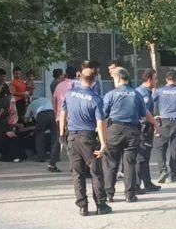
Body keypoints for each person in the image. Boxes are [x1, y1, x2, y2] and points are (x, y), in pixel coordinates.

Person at [60, 62, 112, 216]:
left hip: (72, 137)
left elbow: (62, 113)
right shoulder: (96, 99)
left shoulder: (69, 94)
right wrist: (103, 144)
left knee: (77, 173)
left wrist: (61, 134)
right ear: (94, 80)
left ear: (80, 77)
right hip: (88, 138)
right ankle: (101, 205)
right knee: (96, 172)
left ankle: (82, 206)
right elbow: (100, 123)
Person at [102, 67, 158, 203]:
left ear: (118, 78)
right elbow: (143, 113)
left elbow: (103, 114)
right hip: (132, 131)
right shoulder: (136, 94)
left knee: (111, 163)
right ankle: (130, 194)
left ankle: (109, 194)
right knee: (130, 163)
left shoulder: (111, 94)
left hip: (114, 130)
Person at [135, 69, 162, 193]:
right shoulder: (142, 93)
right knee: (141, 157)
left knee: (145, 157)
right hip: (143, 128)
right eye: (155, 79)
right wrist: (155, 123)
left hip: (146, 126)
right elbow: (145, 113)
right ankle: (136, 184)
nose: (156, 81)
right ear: (149, 80)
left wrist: (153, 118)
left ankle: (147, 182)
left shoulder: (147, 92)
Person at [25, 94, 61, 172]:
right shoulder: (46, 99)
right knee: (54, 135)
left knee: (39, 136)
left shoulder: (31, 104)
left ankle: (40, 157)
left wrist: (30, 117)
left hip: (41, 116)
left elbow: (26, 119)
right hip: (52, 113)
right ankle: (55, 157)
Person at [0, 95, 28, 162]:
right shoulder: (3, 122)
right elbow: (10, 134)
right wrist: (18, 134)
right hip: (0, 144)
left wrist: (16, 125)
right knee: (16, 140)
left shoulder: (1, 121)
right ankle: (14, 156)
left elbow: (9, 126)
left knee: (15, 139)